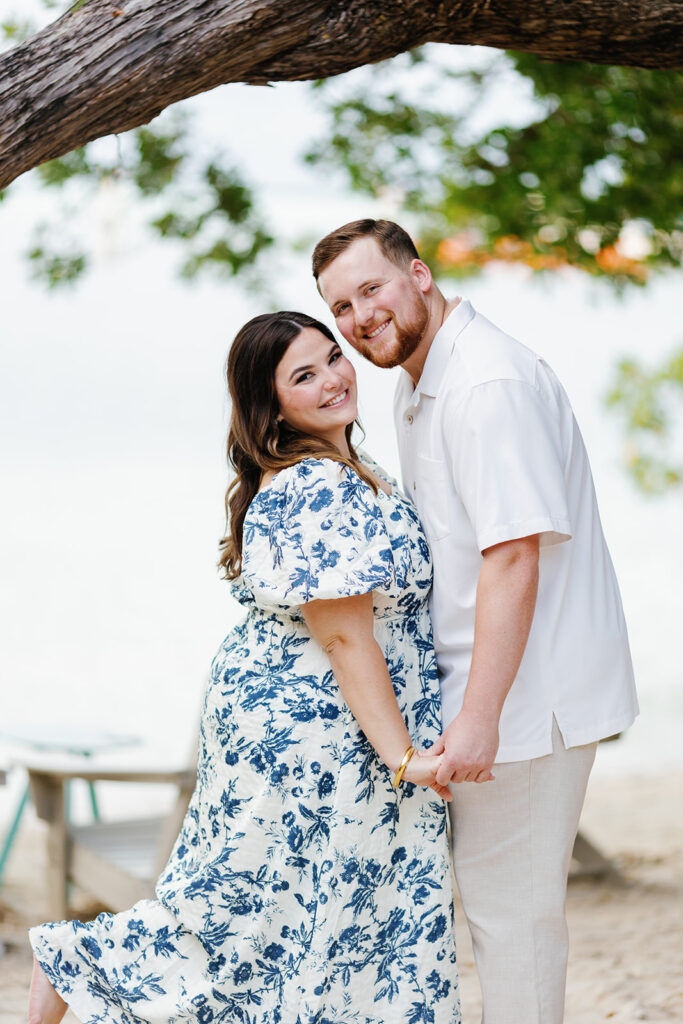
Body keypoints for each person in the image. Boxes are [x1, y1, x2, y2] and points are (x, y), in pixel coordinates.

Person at [28, 311, 461, 1024]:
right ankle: (78, 965)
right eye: (303, 375)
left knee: (308, 915)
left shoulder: (344, 466)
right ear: (273, 405)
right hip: (316, 734)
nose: (332, 379)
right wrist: (404, 757)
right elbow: (346, 638)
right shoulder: (318, 483)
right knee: (246, 914)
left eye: (331, 357)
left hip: (326, 721)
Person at [312, 220, 639, 1024]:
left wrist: (480, 717)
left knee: (512, 926)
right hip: (480, 695)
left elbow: (513, 557)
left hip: (526, 703)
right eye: (339, 306)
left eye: (372, 289)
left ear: (418, 275)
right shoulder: (416, 383)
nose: (359, 317)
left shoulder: (484, 382)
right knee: (492, 918)